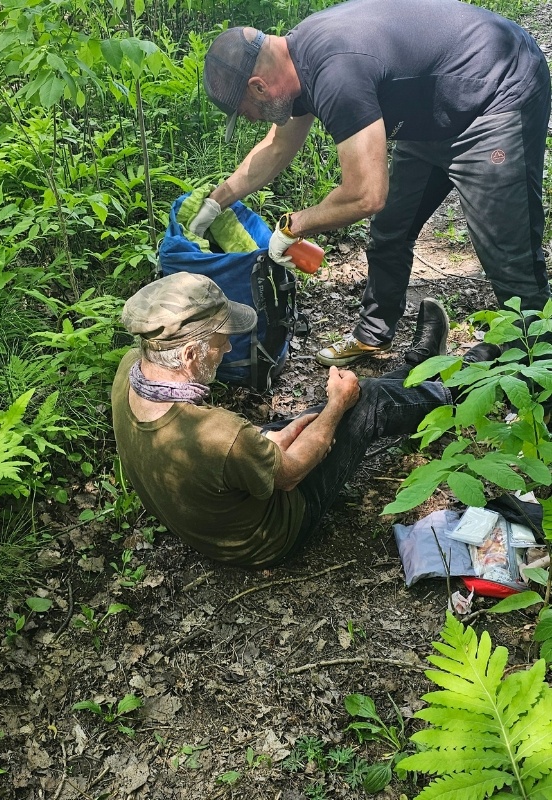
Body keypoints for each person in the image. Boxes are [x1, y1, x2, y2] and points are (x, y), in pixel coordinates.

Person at [192, 0, 551, 367]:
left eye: (245, 112)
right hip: (430, 109)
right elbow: (276, 146)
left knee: (509, 251)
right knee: (391, 230)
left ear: (258, 87)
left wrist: (294, 226)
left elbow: (366, 195)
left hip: (499, 88)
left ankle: (535, 366)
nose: (250, 120)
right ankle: (373, 334)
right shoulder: (293, 66)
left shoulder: (335, 74)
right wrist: (215, 203)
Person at [111, 273, 499, 568]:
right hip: (271, 536)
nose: (228, 346)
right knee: (365, 402)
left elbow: (233, 447)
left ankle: (422, 369)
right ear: (190, 355)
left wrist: (308, 422)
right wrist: (335, 408)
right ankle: (466, 386)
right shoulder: (218, 435)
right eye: (220, 340)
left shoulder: (131, 369)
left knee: (331, 408)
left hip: (214, 517)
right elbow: (291, 473)